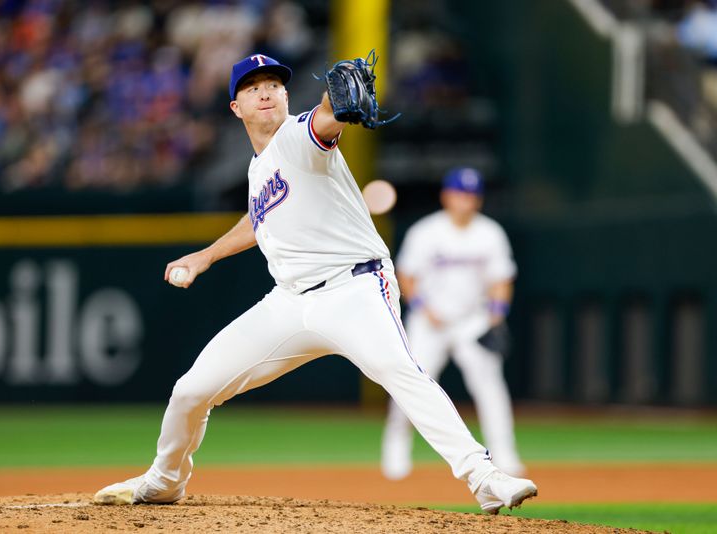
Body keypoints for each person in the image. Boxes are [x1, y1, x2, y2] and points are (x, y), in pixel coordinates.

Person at [93, 54, 537, 514]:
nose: (265, 92)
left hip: (354, 290)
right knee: (190, 390)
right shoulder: (259, 168)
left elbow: (326, 120)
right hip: (288, 302)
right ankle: (165, 480)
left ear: (287, 96)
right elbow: (259, 219)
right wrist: (206, 255)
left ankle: (484, 477)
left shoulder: (296, 136)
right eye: (252, 88)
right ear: (235, 108)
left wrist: (333, 100)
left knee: (402, 372)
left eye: (274, 85)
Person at [381, 168, 526, 481]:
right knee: (410, 385)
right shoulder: (426, 231)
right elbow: (405, 275)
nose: (467, 201)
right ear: (447, 196)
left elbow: (502, 278)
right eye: (461, 194)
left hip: (472, 320)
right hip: (428, 320)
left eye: (472, 195)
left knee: (490, 387)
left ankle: (504, 453)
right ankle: (396, 449)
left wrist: (497, 314)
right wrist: (421, 306)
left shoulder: (490, 233)